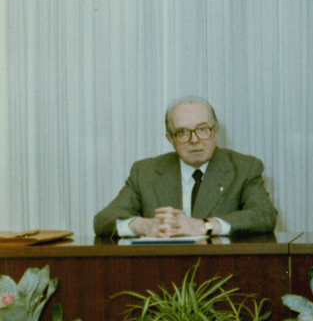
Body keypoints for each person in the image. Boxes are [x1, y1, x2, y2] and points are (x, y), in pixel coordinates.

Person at [94, 97, 278, 238]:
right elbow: (103, 220)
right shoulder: (145, 172)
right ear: (170, 139)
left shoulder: (244, 168)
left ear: (216, 132)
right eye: (183, 132)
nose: (194, 140)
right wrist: (143, 226)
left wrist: (205, 226)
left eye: (202, 129)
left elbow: (265, 215)